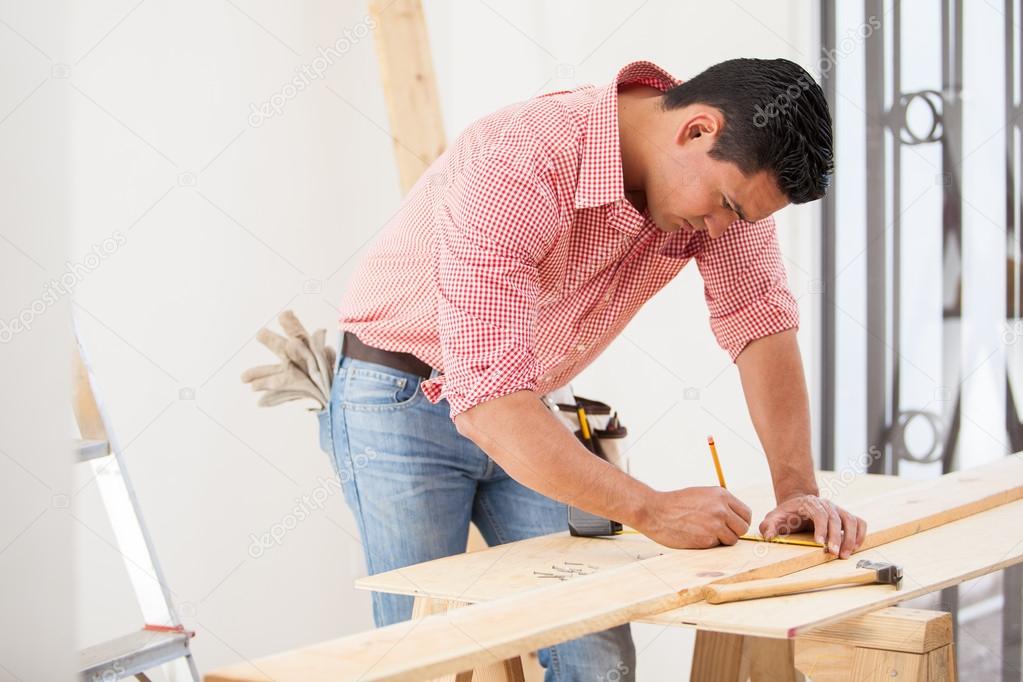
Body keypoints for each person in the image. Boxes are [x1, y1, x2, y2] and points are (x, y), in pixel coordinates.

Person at [321, 58, 866, 681]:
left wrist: (798, 490)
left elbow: (760, 324)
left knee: (596, 656)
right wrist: (652, 510)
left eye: (738, 220)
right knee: (425, 659)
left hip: (529, 402)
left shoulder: (725, 187)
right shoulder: (521, 157)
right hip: (400, 402)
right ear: (696, 130)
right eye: (724, 207)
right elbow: (487, 402)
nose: (722, 230)